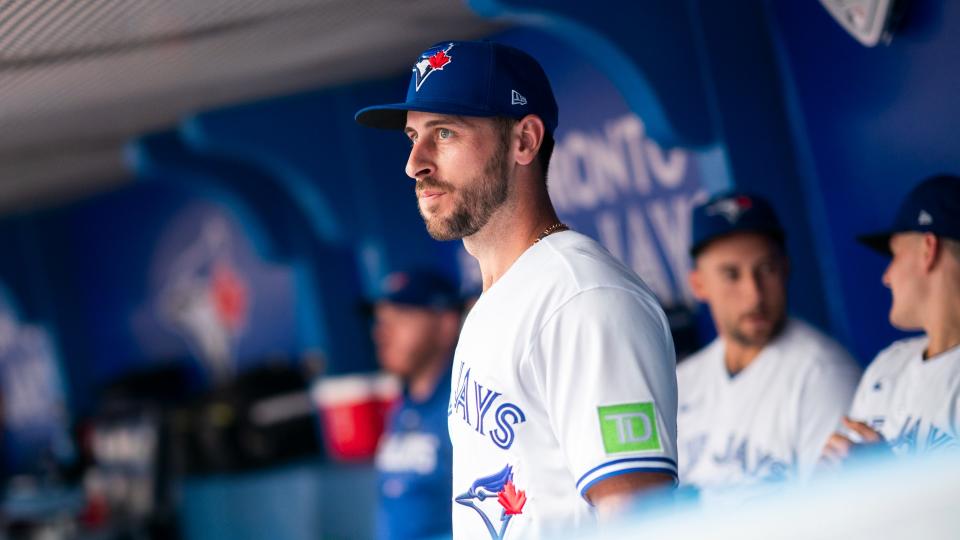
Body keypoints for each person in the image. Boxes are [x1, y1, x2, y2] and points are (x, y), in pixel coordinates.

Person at [355, 40, 678, 538]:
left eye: (444, 132)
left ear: (524, 140)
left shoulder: (583, 298)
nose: (414, 164)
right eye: (412, 136)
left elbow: (641, 521)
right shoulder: (495, 302)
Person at [677, 193, 860, 498]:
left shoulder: (822, 375)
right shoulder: (683, 381)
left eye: (766, 270)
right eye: (731, 275)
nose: (754, 295)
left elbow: (836, 514)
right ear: (699, 285)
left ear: (786, 270)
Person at [821, 174, 960, 464]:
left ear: (928, 249)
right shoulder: (889, 364)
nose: (886, 277)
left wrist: (888, 475)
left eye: (894, 255)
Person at [371, 269, 463, 540]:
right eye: (381, 320)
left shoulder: (466, 404)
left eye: (400, 318)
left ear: (446, 324)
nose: (382, 333)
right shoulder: (402, 410)